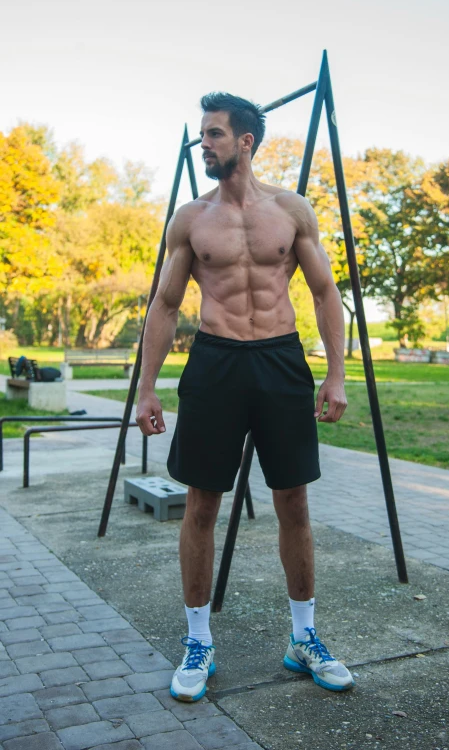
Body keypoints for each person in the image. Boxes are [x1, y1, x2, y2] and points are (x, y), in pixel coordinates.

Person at [136, 92, 354, 702]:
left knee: (294, 502)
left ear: (244, 142)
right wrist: (147, 387)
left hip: (281, 360)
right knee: (201, 503)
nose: (203, 145)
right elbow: (166, 304)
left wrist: (336, 375)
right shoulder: (191, 218)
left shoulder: (291, 211)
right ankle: (199, 641)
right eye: (203, 135)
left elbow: (325, 293)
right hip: (215, 362)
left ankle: (304, 637)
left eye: (212, 135)